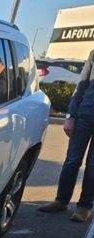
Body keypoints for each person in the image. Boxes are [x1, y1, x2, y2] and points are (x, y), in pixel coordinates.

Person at [39, 49, 94, 222]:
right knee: (72, 161)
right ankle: (61, 200)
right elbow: (81, 85)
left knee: (93, 166)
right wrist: (70, 116)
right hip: (84, 115)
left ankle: (84, 207)